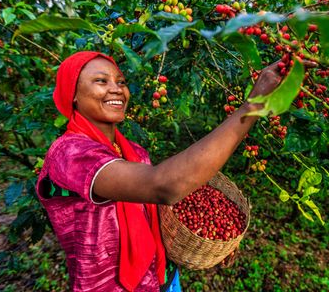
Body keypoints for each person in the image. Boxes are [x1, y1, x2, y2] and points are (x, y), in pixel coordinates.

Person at [35, 51, 284, 292]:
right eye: (101, 81)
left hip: (163, 278)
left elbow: (154, 215)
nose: (116, 89)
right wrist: (252, 105)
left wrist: (212, 242)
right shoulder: (69, 154)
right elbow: (163, 186)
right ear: (73, 94)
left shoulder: (134, 152)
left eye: (121, 82)